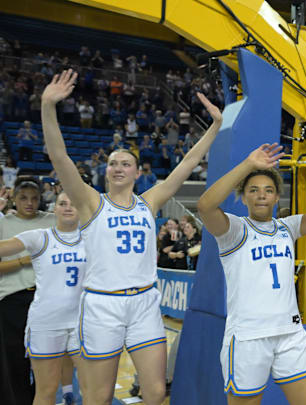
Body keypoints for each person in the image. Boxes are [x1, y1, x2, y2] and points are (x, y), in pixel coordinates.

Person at [41, 69, 223, 405]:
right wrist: (48, 107)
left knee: (155, 391)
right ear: (106, 170)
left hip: (144, 303)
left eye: (126, 163)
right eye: (113, 163)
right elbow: (60, 157)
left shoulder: (149, 201)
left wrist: (214, 127)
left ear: (138, 172)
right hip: (102, 303)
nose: (119, 167)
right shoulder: (90, 202)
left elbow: (188, 162)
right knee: (99, 395)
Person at [196, 130, 306, 405]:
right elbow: (205, 205)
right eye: (253, 190)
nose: (261, 195)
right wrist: (248, 165)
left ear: (277, 198)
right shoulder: (234, 230)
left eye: (268, 190)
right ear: (243, 198)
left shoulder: (288, 227)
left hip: (290, 334)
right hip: (248, 338)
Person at [0, 192, 87, 405]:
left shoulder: (92, 238)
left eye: (73, 204)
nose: (67, 208)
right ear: (53, 209)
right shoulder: (39, 237)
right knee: (46, 390)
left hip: (84, 322)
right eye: (62, 203)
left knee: (92, 390)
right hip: (46, 322)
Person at [0, 177, 57, 405]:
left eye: (34, 198)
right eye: (23, 198)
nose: (29, 203)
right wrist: (25, 260)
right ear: (13, 199)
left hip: (46, 300)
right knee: (14, 363)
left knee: (47, 363)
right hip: (12, 301)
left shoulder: (52, 220)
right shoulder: (4, 224)